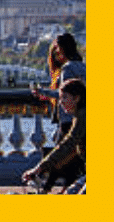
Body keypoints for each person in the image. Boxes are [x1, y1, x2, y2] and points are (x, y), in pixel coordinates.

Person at [35, 33, 85, 189]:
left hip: (67, 117)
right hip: (80, 113)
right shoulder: (84, 66)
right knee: (71, 157)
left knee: (62, 151)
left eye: (57, 50)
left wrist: (43, 93)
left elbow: (64, 93)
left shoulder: (68, 68)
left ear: (62, 50)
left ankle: (46, 187)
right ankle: (59, 188)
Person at [24, 78, 85, 194]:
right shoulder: (80, 115)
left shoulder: (83, 116)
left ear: (76, 98)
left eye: (64, 98)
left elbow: (68, 144)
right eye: (60, 98)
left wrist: (39, 167)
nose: (60, 102)